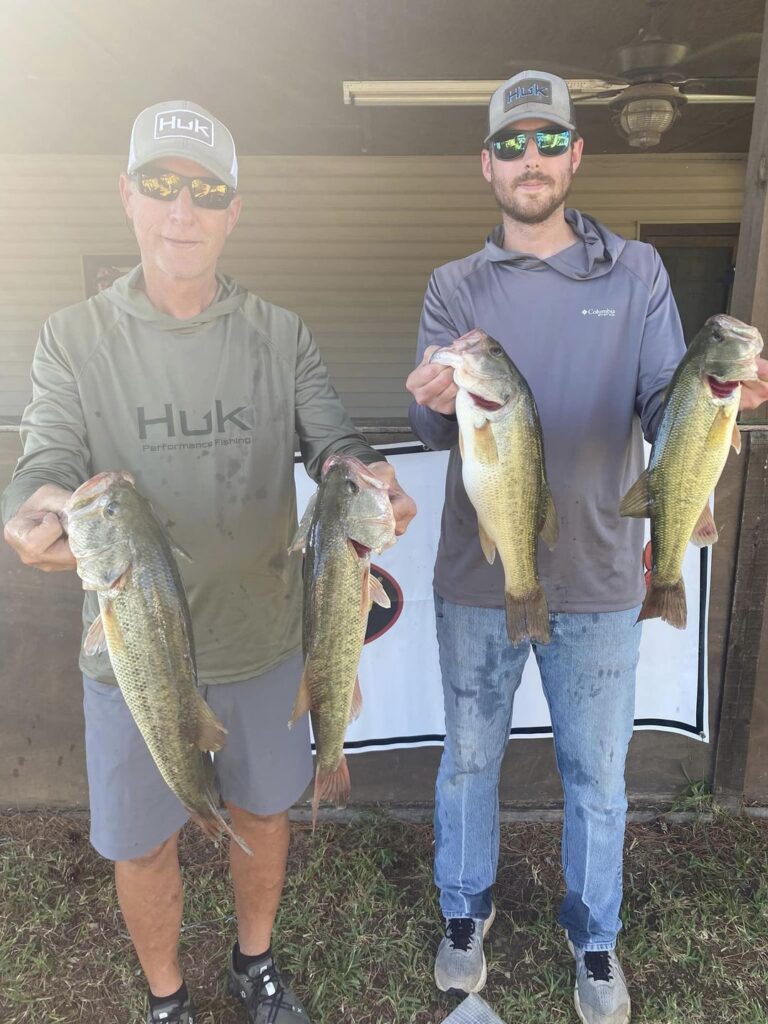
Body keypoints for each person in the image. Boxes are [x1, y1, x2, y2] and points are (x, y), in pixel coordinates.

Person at [2, 100, 416, 1024]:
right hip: (131, 655)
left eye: (205, 190)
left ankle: (255, 967)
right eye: (160, 185)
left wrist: (365, 478)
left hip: (266, 643)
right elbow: (43, 467)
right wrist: (28, 515)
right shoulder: (75, 339)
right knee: (142, 844)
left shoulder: (280, 334)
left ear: (235, 210)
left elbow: (333, 444)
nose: (180, 210)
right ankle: (166, 1000)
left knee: (265, 815)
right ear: (128, 197)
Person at [406, 70, 768, 1024]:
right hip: (479, 576)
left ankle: (594, 934)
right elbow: (441, 430)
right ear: (486, 164)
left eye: (548, 141)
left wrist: (715, 404)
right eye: (512, 144)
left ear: (577, 155)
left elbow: (663, 399)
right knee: (469, 760)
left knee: (597, 775)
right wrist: (431, 398)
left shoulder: (637, 273)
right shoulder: (454, 288)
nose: (532, 160)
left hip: (609, 573)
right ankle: (462, 913)